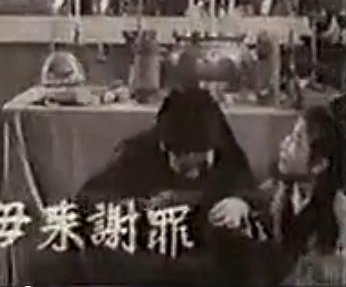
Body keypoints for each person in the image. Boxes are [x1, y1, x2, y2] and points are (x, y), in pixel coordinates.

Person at [75, 87, 273, 285]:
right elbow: (89, 199)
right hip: (154, 256)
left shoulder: (223, 148)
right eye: (186, 167)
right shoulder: (136, 154)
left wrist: (240, 202)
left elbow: (250, 189)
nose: (195, 175)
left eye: (203, 164)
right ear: (164, 147)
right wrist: (137, 209)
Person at [256, 105, 346, 285]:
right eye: (289, 136)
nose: (284, 144)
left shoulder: (339, 212)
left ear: (319, 165)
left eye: (296, 141)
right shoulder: (275, 192)